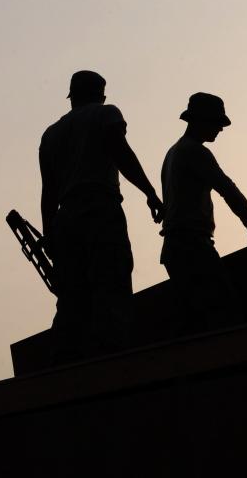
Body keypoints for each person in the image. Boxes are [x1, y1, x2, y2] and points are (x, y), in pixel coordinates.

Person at [39, 70, 164, 362]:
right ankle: (114, 357)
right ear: (100, 94)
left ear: (72, 97)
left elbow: (48, 192)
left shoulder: (50, 135)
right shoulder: (106, 114)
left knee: (71, 295)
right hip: (100, 210)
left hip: (65, 219)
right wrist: (149, 192)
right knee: (111, 280)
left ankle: (64, 360)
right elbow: (122, 154)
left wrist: (49, 234)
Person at [160, 92, 247, 334]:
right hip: (191, 245)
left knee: (196, 319)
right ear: (200, 120)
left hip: (175, 248)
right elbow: (228, 190)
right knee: (224, 311)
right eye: (216, 123)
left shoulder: (172, 153)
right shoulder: (194, 152)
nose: (220, 129)